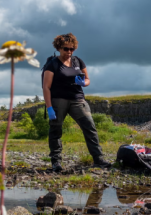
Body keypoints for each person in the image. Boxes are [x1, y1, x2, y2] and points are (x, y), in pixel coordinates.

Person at [42, 33, 111, 171]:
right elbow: (46, 87)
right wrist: (49, 107)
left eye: (72, 49)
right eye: (66, 49)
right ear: (59, 48)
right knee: (56, 130)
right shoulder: (52, 64)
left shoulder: (78, 61)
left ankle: (98, 159)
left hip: (77, 100)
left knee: (90, 127)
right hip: (58, 100)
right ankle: (56, 162)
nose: (69, 52)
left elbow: (87, 79)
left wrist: (84, 83)